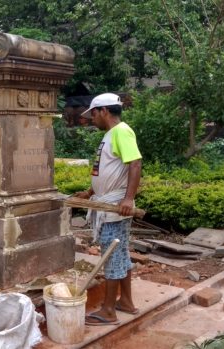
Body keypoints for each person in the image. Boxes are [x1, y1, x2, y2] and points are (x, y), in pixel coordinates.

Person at [73, 93, 142, 326]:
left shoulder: (121, 131)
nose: (92, 119)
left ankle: (109, 310)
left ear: (103, 111)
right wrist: (89, 193)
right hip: (109, 201)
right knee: (120, 253)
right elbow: (106, 170)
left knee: (111, 255)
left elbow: (135, 162)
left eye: (93, 114)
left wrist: (128, 198)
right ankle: (127, 302)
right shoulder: (111, 135)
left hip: (114, 207)